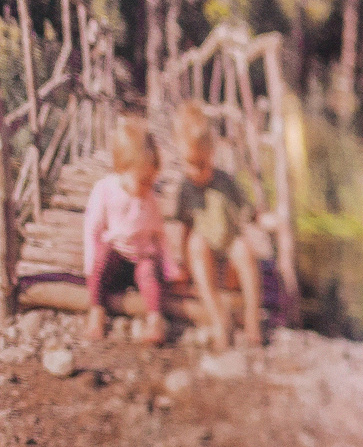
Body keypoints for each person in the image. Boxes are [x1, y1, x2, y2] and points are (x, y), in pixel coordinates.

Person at [169, 101, 273, 349]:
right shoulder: (185, 189)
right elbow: (184, 228)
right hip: (205, 250)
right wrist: (182, 265)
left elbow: (247, 215)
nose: (196, 172)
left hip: (228, 245)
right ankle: (218, 317)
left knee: (244, 249)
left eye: (201, 165)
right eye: (190, 165)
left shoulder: (226, 182)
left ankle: (252, 315)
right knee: (196, 243)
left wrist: (260, 219)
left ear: (212, 155)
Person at [82, 114, 177, 347]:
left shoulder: (149, 198)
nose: (148, 187)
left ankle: (155, 319)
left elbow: (159, 235)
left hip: (141, 255)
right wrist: (90, 262)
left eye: (151, 182)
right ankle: (96, 310)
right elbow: (93, 229)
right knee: (101, 259)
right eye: (143, 181)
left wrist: (170, 266)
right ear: (123, 168)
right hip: (116, 253)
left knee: (149, 273)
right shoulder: (105, 189)